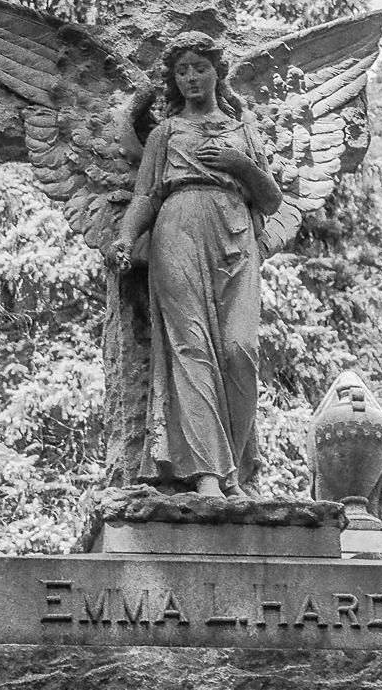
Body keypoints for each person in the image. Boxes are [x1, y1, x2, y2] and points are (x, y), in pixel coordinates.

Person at [107, 32, 282, 498]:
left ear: (217, 72)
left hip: (236, 232)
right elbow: (146, 195)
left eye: (199, 67)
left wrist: (240, 165)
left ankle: (235, 472)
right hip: (178, 229)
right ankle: (208, 476)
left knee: (241, 350)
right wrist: (125, 237)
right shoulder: (165, 133)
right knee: (192, 349)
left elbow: (271, 199)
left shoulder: (244, 132)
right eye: (182, 70)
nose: (190, 78)